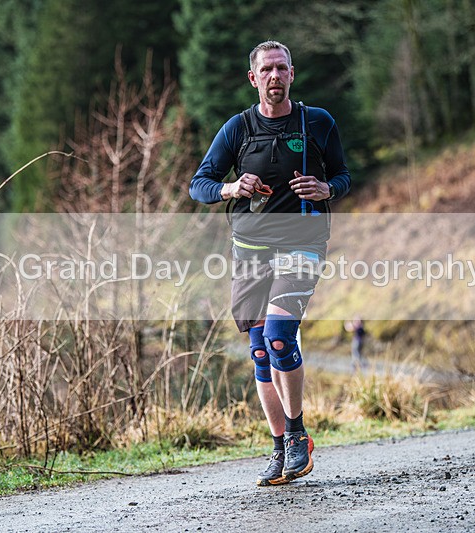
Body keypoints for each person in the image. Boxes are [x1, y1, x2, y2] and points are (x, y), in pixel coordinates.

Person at [189, 41, 351, 486]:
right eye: (267, 70)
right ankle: (279, 448)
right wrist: (231, 188)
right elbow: (198, 185)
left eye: (282, 68)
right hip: (250, 252)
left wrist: (327, 189)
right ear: (254, 78)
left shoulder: (317, 122)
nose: (275, 76)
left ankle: (298, 435)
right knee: (260, 352)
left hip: (303, 243)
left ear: (292, 75)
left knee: (280, 336)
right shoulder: (237, 129)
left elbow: (342, 175)